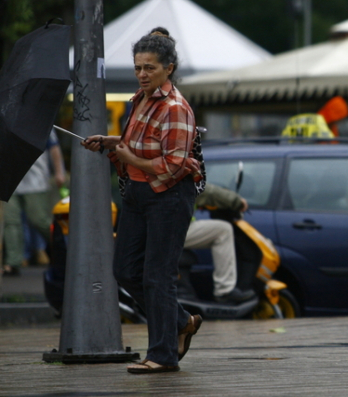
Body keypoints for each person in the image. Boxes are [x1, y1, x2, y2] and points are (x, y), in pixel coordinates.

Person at [81, 27, 203, 374]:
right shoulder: (139, 99)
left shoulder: (176, 107)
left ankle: (162, 355)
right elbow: (139, 140)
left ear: (169, 68)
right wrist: (109, 141)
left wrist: (130, 159)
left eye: (149, 68)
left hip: (166, 195)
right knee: (126, 271)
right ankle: (180, 322)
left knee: (158, 276)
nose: (142, 74)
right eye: (137, 67)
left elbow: (174, 164)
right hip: (137, 195)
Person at [3, 132, 66, 275]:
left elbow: (54, 148)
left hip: (35, 180)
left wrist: (59, 171)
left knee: (39, 220)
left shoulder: (39, 118)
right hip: (8, 179)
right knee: (11, 221)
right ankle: (12, 263)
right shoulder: (6, 119)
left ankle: (62, 250)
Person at [186, 183, 255, 303]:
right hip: (172, 230)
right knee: (223, 230)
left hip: (158, 229)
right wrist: (236, 201)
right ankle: (224, 290)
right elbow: (205, 191)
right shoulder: (177, 167)